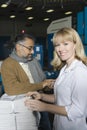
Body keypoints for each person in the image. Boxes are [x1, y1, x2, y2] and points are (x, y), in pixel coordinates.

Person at [25, 27, 87, 130]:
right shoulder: (65, 69)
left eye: (65, 44)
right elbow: (60, 98)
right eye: (57, 45)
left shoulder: (80, 72)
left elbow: (77, 111)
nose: (60, 49)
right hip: (59, 125)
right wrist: (41, 96)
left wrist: (44, 107)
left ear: (75, 45)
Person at [1, 33, 53, 130]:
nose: (32, 51)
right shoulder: (8, 64)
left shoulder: (33, 61)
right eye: (30, 48)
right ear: (19, 47)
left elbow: (41, 81)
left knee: (45, 126)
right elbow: (11, 89)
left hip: (40, 102)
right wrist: (41, 85)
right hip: (25, 107)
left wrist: (48, 84)